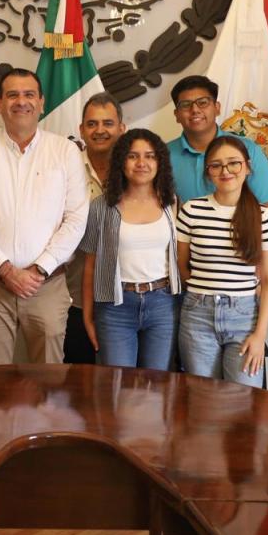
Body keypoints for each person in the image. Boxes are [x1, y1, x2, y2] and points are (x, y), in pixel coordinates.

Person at [0, 68, 90, 365]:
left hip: (48, 285)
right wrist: (6, 270)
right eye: (12, 95)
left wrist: (39, 270)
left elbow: (76, 219)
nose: (21, 101)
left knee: (49, 381)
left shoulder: (65, 152)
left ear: (41, 102)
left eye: (29, 94)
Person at [176, 136, 268, 387]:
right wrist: (205, 289)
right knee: (203, 398)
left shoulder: (262, 216)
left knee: (244, 402)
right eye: (216, 165)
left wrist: (260, 334)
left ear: (247, 167)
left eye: (233, 163)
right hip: (197, 315)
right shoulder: (191, 210)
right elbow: (181, 264)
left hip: (244, 317)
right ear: (208, 172)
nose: (226, 171)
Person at [78, 129, 180, 370]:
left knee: (156, 386)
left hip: (163, 304)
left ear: (160, 162)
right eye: (133, 156)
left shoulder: (172, 202)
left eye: (150, 156)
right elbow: (90, 266)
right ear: (121, 161)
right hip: (115, 307)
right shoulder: (101, 207)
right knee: (116, 386)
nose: (142, 163)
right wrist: (88, 316)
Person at [64, 92, 126, 365]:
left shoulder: (139, 170)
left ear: (122, 128)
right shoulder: (64, 170)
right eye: (91, 124)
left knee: (126, 388)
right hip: (74, 297)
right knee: (78, 388)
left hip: (128, 301)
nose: (99, 130)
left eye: (108, 123)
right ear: (81, 130)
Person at [165, 75, 268, 217]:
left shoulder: (248, 149)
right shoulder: (162, 156)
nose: (195, 110)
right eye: (186, 105)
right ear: (176, 115)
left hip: (242, 237)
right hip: (184, 237)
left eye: (203, 102)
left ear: (217, 108)